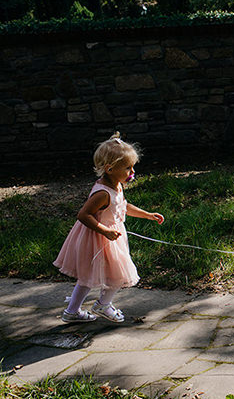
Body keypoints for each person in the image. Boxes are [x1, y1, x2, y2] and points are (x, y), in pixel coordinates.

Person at [54, 132, 164, 323]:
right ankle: (99, 306)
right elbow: (83, 215)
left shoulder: (117, 186)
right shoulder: (102, 193)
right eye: (128, 168)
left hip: (111, 236)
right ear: (110, 168)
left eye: (133, 167)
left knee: (104, 274)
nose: (132, 172)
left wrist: (147, 214)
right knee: (116, 273)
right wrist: (104, 231)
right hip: (99, 238)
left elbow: (123, 206)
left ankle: (75, 310)